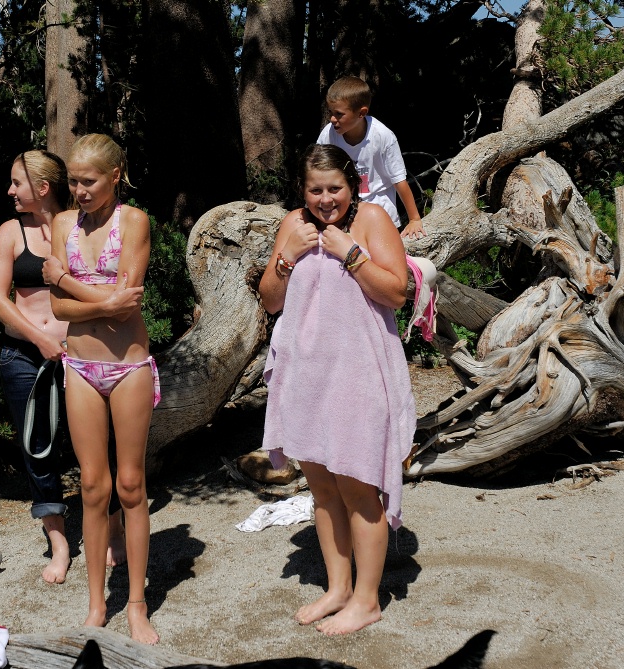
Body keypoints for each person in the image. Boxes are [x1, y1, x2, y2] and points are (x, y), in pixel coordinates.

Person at [258, 144, 416, 636]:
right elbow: (269, 299)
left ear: (353, 186)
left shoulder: (370, 219)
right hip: (306, 374)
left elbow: (397, 292)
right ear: (302, 191)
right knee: (322, 489)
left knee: (357, 483)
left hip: (358, 373)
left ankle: (367, 599)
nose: (326, 199)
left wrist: (349, 253)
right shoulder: (293, 224)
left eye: (335, 189)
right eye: (315, 189)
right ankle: (338, 588)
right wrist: (288, 257)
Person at [41, 134, 160, 645]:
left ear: (116, 175)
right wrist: (97, 302)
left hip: (129, 367)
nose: (79, 190)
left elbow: (126, 306)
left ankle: (136, 603)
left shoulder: (134, 222)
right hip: (80, 366)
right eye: (72, 180)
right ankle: (96, 602)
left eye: (88, 181)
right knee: (92, 487)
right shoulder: (63, 224)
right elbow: (59, 312)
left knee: (130, 487)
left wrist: (66, 280)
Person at [0, 149, 125, 587]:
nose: (10, 191)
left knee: (99, 448)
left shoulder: (75, 227)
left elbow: (103, 281)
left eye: (17, 183)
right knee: (38, 450)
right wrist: (41, 338)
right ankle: (61, 544)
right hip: (25, 357)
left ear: (42, 188)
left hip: (82, 352)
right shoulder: (10, 232)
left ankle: (112, 529)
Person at [317, 75, 426, 239]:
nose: (332, 119)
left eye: (339, 114)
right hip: (342, 212)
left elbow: (399, 180)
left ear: (361, 113)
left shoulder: (382, 136)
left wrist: (414, 219)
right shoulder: (328, 135)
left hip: (380, 212)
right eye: (331, 112)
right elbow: (316, 171)